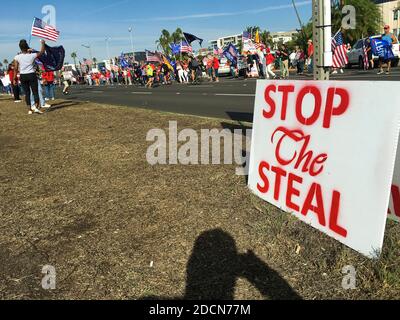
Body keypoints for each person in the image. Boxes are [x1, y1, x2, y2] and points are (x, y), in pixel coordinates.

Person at [13, 39, 45, 114]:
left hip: (23, 76)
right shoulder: (32, 55)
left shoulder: (17, 57)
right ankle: (36, 108)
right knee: (35, 92)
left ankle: (30, 109)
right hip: (31, 75)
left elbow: (15, 68)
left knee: (27, 93)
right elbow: (42, 52)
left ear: (20, 48)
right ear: (27, 47)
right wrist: (43, 44)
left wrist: (14, 78)